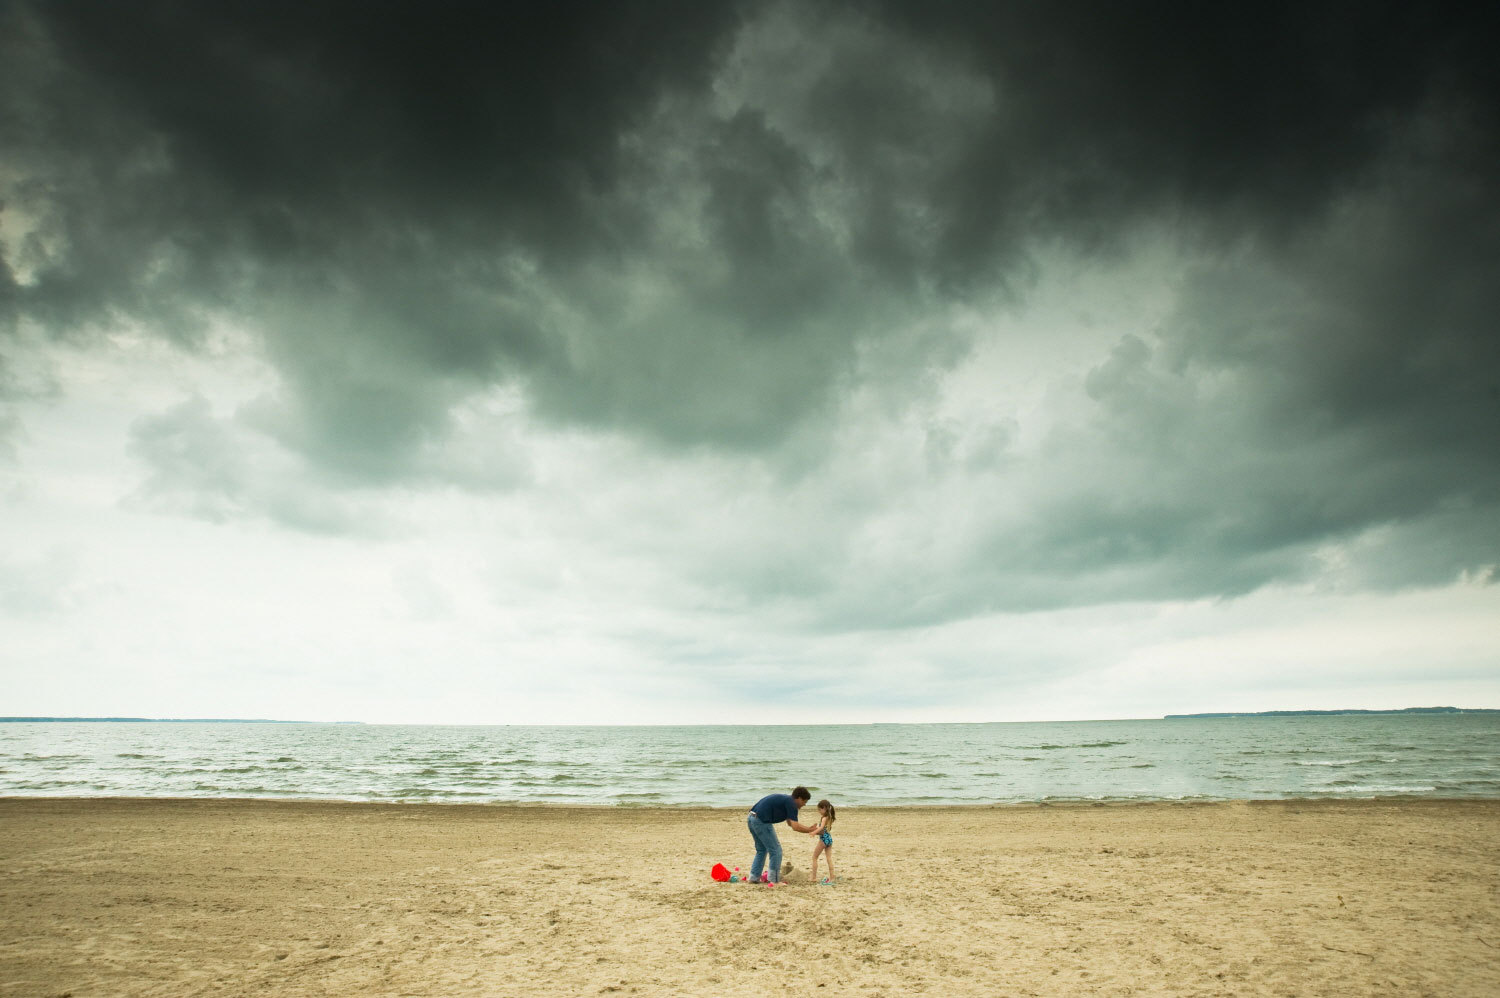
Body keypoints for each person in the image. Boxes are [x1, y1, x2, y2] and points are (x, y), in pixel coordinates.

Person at [746, 786, 816, 884]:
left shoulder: (787, 801)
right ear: (799, 798)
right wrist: (810, 830)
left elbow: (790, 824)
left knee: (761, 850)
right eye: (804, 802)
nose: (804, 805)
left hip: (751, 818)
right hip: (761, 820)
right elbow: (795, 827)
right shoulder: (792, 804)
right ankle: (774, 880)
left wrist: (810, 829)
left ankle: (753, 878)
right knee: (776, 850)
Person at [808, 798, 836, 884]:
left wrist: (813, 832)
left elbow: (821, 828)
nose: (819, 811)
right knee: (829, 858)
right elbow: (824, 829)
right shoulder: (830, 817)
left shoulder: (824, 818)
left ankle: (813, 877)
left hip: (823, 839)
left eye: (819, 809)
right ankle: (832, 877)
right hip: (829, 839)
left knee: (814, 857)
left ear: (824, 808)